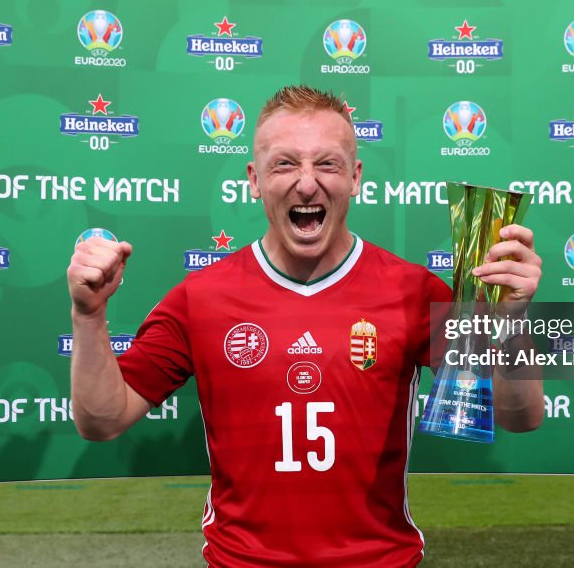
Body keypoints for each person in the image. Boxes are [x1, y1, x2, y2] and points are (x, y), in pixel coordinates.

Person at [67, 85, 544, 567]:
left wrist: (511, 320)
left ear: (355, 177)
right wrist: (88, 317)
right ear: (254, 180)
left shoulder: (414, 291)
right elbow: (102, 420)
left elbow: (519, 416)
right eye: (285, 164)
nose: (308, 183)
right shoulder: (201, 297)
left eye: (328, 164)